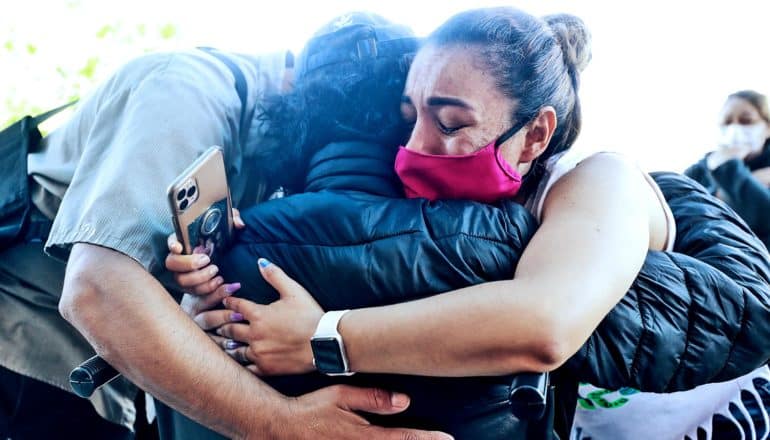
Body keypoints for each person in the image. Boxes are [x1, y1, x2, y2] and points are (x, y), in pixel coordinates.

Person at [168, 7, 770, 439]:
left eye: (451, 125)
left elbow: (545, 325)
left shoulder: (596, 179)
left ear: (535, 133)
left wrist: (320, 339)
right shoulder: (464, 200)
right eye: (410, 119)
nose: (416, 147)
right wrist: (223, 280)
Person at [16, 15, 448, 440]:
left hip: (125, 375)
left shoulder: (281, 148)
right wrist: (282, 423)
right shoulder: (181, 94)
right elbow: (97, 291)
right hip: (28, 349)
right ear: (300, 96)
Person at [686, 90, 770, 249]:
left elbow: (764, 216)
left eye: (746, 121)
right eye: (727, 122)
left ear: (767, 128)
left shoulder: (722, 165)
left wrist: (727, 167)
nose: (735, 128)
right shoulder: (702, 168)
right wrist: (751, 181)